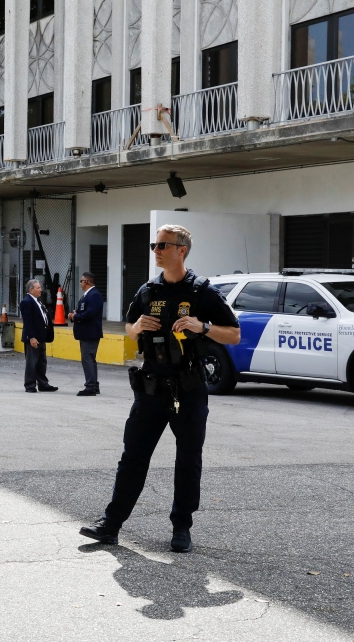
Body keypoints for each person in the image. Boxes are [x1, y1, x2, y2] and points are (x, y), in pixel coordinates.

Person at [79, 224, 241, 553]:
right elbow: (129, 328)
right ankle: (111, 526)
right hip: (151, 388)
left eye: (163, 245)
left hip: (189, 390)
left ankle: (182, 527)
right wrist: (135, 327)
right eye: (154, 245)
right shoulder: (148, 291)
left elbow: (234, 334)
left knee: (188, 460)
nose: (156, 250)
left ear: (181, 250)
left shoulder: (201, 293)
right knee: (133, 457)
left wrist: (203, 326)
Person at [67, 272, 104, 396]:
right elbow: (84, 311)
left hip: (90, 332)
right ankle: (93, 385)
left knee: (87, 359)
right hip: (85, 332)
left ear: (87, 282)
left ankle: (90, 387)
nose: (80, 283)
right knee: (89, 359)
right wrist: (75, 314)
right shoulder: (87, 295)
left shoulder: (94, 295)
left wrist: (76, 316)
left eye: (81, 281)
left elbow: (90, 313)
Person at [20, 279, 57, 393]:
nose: (41, 290)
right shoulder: (27, 302)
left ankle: (43, 383)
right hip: (34, 337)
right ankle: (30, 384)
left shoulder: (37, 301)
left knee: (41, 361)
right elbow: (28, 322)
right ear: (31, 290)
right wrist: (32, 337)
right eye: (38, 288)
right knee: (32, 362)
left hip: (41, 337)